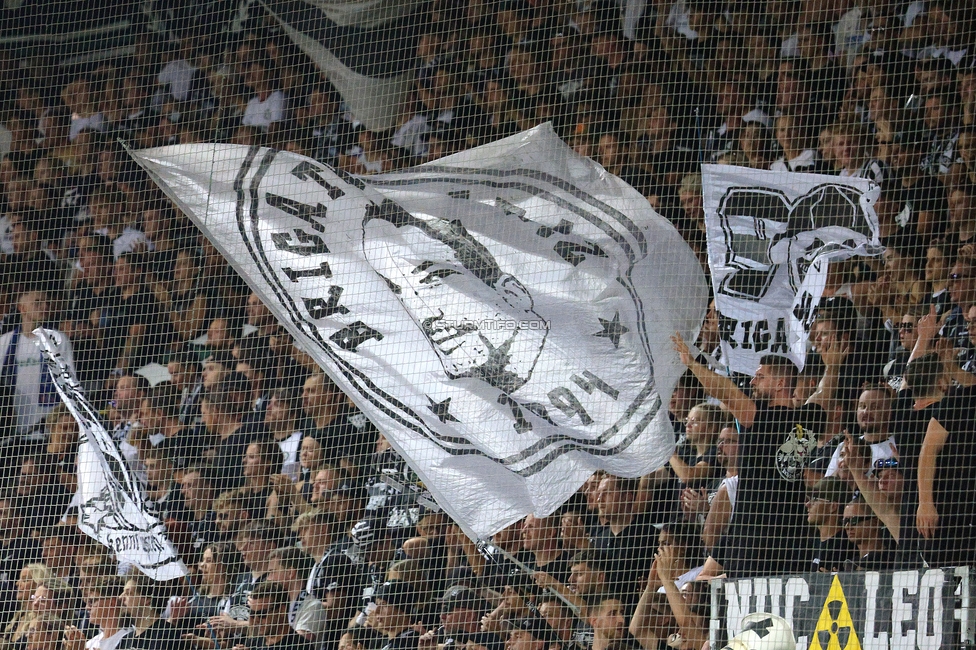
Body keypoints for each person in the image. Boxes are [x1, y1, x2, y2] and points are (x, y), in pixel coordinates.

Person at [672, 333, 830, 578]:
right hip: (794, 537)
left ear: (780, 384)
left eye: (761, 376)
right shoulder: (811, 418)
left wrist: (692, 364)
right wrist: (832, 366)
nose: (753, 381)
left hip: (753, 538)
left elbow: (724, 391)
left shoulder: (759, 419)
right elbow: (824, 392)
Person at [0, 291, 74, 437]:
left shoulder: (58, 340)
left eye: (46, 303)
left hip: (46, 426)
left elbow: (69, 383)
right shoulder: (3, 342)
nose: (44, 306)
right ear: (22, 308)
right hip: (11, 427)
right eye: (38, 302)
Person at [805, 477, 858, 573]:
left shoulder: (845, 547)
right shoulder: (811, 542)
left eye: (815, 499)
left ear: (832, 507)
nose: (808, 504)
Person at [239, 581, 312, 650]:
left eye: (262, 613)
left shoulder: (300, 646)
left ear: (281, 610)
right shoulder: (252, 644)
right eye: (252, 614)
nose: (256, 620)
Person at [63, 577, 132, 650]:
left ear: (112, 602)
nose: (87, 607)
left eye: (92, 601)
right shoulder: (92, 642)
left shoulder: (127, 639)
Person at [120, 576, 185, 650]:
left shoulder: (167, 637)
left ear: (147, 599)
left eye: (128, 593)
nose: (120, 597)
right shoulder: (125, 640)